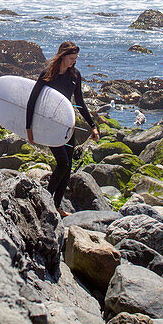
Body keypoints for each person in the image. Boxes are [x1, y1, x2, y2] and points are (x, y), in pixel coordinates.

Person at [25, 41, 99, 216]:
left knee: (68, 166)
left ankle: (56, 206)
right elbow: (32, 101)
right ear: (63, 56)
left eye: (75, 58)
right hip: (49, 125)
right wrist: (29, 128)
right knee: (63, 163)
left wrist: (93, 126)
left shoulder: (75, 75)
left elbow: (80, 103)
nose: (74, 61)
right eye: (72, 58)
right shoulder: (48, 75)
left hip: (67, 124)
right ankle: (46, 201)